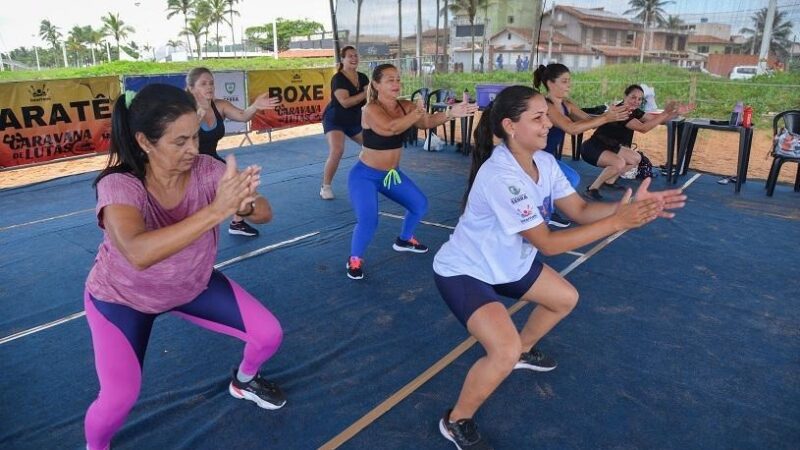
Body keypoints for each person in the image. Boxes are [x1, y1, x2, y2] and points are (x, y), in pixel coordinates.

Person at [432, 85, 686, 449]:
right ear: (509, 126)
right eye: (537, 117)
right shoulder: (501, 175)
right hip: (465, 271)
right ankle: (456, 419)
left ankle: (522, 350)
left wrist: (629, 208)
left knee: (564, 298)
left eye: (546, 115)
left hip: (509, 264)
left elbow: (580, 211)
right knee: (500, 352)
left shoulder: (545, 163)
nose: (547, 123)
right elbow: (548, 244)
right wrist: (619, 223)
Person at [84, 84, 286, 450]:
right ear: (145, 142)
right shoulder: (120, 186)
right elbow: (137, 252)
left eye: (195, 136)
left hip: (191, 285)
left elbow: (265, 212)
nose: (194, 149)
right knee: (118, 400)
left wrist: (242, 204)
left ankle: (243, 381)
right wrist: (216, 210)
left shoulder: (207, 170)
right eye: (180, 142)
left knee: (269, 334)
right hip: (121, 299)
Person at [346, 63, 478, 280]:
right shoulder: (370, 109)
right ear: (376, 84)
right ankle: (355, 259)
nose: (396, 83)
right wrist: (416, 112)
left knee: (419, 204)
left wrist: (450, 113)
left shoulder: (405, 106)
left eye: (398, 79)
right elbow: (391, 128)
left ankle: (404, 239)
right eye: (390, 80)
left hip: (391, 175)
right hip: (365, 176)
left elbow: (426, 122)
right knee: (368, 220)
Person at [186, 66, 279, 236]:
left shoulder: (219, 105)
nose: (209, 87)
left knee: (246, 192)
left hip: (212, 162)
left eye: (211, 83)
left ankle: (237, 222)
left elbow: (243, 115)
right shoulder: (183, 111)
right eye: (203, 84)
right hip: (187, 167)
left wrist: (255, 106)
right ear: (191, 88)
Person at [533, 63, 629, 227]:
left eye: (569, 80)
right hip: (532, 156)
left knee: (571, 179)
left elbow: (587, 120)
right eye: (564, 81)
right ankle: (544, 211)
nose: (569, 85)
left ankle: (543, 209)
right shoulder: (546, 106)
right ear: (550, 83)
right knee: (569, 179)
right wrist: (606, 118)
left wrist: (610, 115)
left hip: (545, 158)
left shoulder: (566, 105)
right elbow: (571, 128)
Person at [581, 84, 694, 200]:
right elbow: (643, 128)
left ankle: (609, 181)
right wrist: (665, 112)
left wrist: (676, 113)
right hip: (593, 148)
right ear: (625, 96)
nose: (636, 101)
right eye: (633, 97)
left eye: (640, 99)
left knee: (635, 159)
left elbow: (656, 121)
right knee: (619, 163)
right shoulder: (622, 112)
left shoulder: (634, 111)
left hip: (610, 146)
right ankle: (592, 189)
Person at [320, 45, 370, 200]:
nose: (354, 58)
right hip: (335, 119)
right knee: (337, 150)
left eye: (356, 55)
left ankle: (366, 178)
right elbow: (346, 102)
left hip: (354, 119)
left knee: (372, 146)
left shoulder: (363, 77)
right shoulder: (338, 79)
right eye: (350, 56)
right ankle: (325, 187)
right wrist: (365, 93)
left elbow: (370, 98)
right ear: (343, 59)